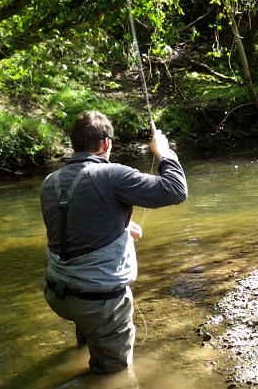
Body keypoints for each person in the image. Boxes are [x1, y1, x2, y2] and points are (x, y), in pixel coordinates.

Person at [40, 110, 187, 376]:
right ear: (106, 144)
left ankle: (85, 344)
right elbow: (175, 190)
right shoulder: (112, 175)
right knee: (114, 376)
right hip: (98, 301)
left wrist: (117, 226)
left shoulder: (50, 182)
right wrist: (164, 153)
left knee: (88, 324)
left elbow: (68, 228)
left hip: (57, 294)